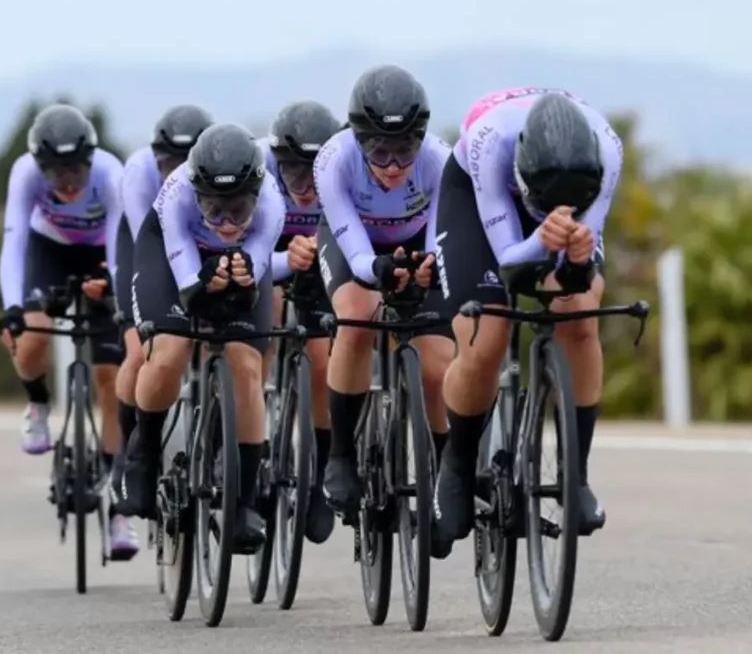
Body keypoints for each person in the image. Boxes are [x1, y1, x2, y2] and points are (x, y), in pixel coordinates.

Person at [430, 87, 624, 558]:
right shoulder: (490, 142)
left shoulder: (608, 150)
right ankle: (455, 465)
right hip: (481, 207)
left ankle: (575, 477)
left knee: (578, 314)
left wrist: (577, 261)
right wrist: (540, 237)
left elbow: (578, 275)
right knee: (486, 333)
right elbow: (511, 263)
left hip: (562, 212)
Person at [116, 123, 285, 553]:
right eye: (214, 211)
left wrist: (241, 279)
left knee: (247, 366)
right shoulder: (175, 194)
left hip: (237, 265)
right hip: (174, 258)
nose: (226, 224)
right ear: (197, 195)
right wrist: (203, 283)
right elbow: (188, 280)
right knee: (169, 349)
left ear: (257, 195)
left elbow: (258, 266)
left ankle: (245, 499)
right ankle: (143, 454)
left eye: (238, 211)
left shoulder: (272, 203)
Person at [0, 103, 137, 558]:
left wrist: (113, 288)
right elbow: (14, 241)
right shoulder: (24, 174)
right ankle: (38, 405)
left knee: (111, 380)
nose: (68, 183)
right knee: (32, 336)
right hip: (49, 250)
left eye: (75, 170)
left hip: (101, 255)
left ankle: (119, 512)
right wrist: (13, 308)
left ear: (90, 160)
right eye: (56, 175)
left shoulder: (111, 174)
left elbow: (120, 244)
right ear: (40, 168)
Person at [313, 64, 455, 515]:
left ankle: (446, 465)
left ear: (422, 139)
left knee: (438, 365)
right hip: (356, 243)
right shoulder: (333, 160)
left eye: (405, 150)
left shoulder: (439, 161)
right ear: (358, 140)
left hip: (416, 242)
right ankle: (339, 455)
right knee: (356, 322)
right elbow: (356, 257)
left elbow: (440, 237)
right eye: (379, 151)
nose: (393, 165)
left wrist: (429, 264)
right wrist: (377, 269)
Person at [108, 105, 215, 554]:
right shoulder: (138, 175)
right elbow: (156, 247)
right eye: (168, 163)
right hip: (147, 247)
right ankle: (131, 452)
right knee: (141, 352)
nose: (175, 173)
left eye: (185, 163)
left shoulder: (220, 170)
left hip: (206, 240)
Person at [262, 100, 341, 544]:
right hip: (267, 252)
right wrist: (279, 261)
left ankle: (322, 469)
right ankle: (250, 407)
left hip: (322, 256)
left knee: (323, 357)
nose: (303, 185)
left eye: (312, 174)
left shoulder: (345, 172)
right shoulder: (256, 171)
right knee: (265, 313)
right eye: (292, 172)